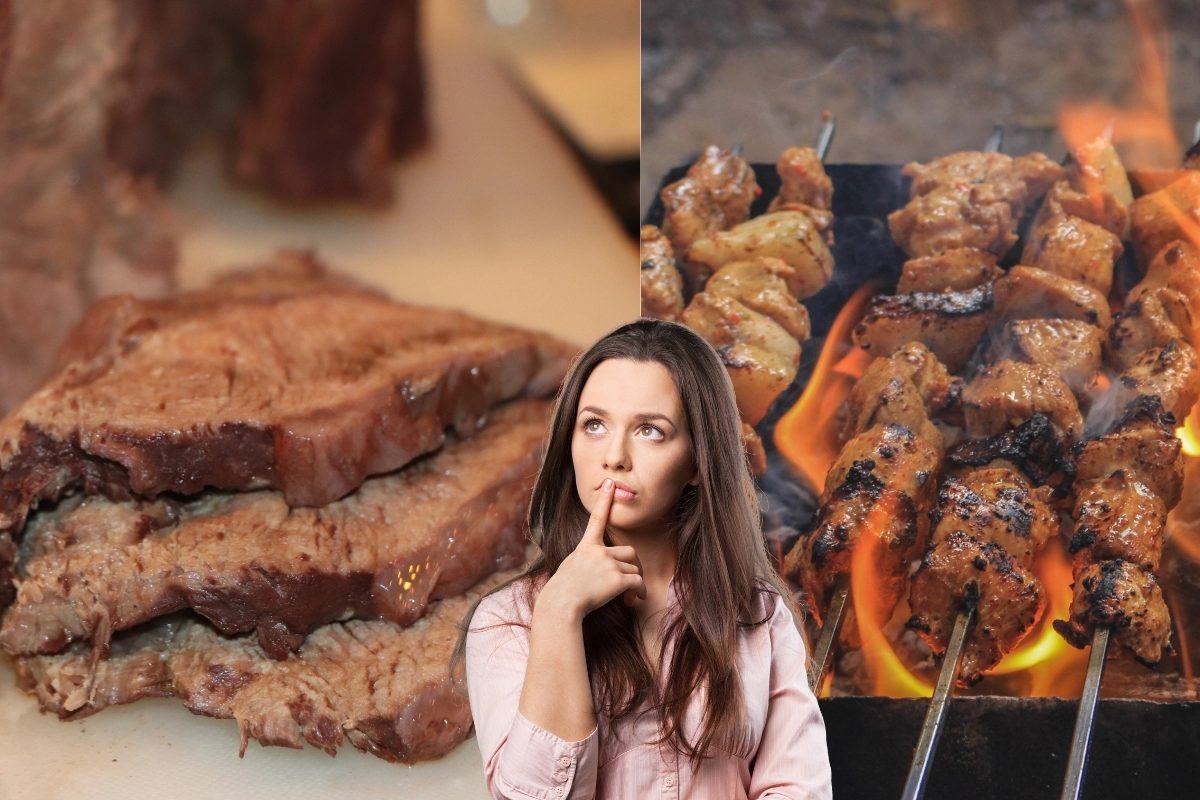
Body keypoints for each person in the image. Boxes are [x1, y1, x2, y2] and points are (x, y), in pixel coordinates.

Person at [456, 318, 832, 799]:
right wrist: (558, 613)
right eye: (594, 425)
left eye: (650, 431)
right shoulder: (507, 622)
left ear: (697, 461)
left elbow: (798, 788)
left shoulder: (758, 616)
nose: (614, 456)